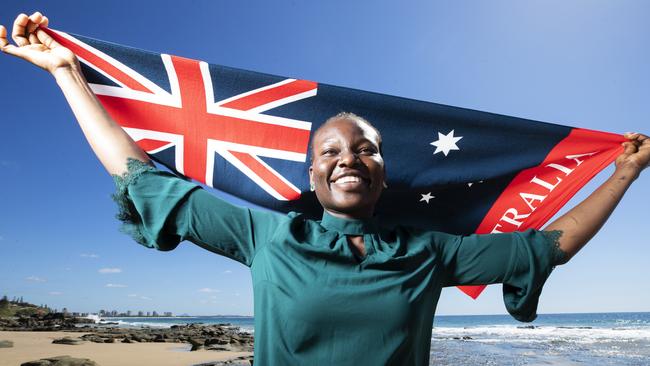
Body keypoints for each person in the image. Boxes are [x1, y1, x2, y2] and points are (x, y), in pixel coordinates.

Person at [2, 12, 649, 366]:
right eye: (331, 151)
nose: (349, 157)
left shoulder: (424, 253)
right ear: (311, 176)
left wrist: (622, 173)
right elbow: (139, 177)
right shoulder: (269, 237)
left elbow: (548, 246)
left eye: (364, 148)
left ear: (381, 174)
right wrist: (66, 74)